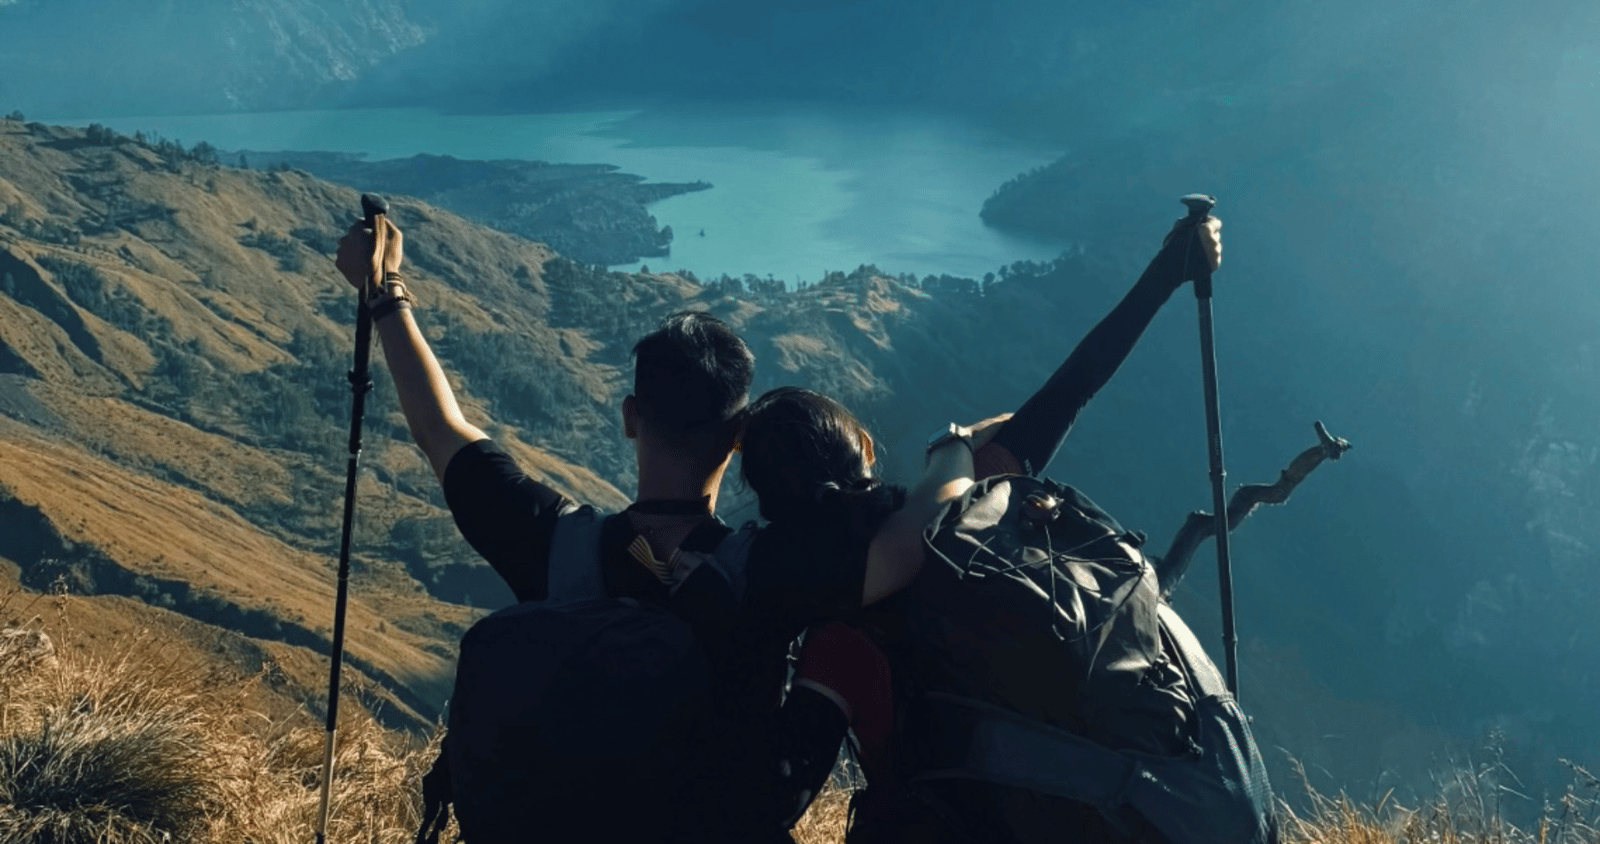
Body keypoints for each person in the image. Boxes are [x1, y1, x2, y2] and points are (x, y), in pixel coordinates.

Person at [333, 216, 984, 842]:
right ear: (737, 439)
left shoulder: (551, 544)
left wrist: (386, 292)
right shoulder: (763, 570)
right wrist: (956, 450)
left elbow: (440, 430)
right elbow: (914, 542)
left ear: (629, 417)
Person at [737, 214, 1230, 842]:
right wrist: (1166, 271)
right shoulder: (965, 515)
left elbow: (774, 801)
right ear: (862, 451)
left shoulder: (837, 639)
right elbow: (1071, 391)